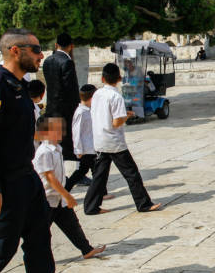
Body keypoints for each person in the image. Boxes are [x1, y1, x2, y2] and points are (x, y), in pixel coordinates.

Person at [0, 28, 55, 273]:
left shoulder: (17, 86)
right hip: (6, 183)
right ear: (16, 51)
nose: (41, 56)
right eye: (36, 50)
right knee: (1, 250)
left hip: (27, 178)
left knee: (39, 241)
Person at [83, 63, 162, 215]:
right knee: (132, 174)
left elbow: (101, 113)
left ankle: (91, 206)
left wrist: (122, 114)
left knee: (99, 176)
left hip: (99, 140)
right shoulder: (116, 96)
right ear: (119, 78)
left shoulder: (97, 94)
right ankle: (143, 204)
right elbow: (116, 122)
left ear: (102, 78)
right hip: (114, 142)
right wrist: (126, 115)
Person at [32, 117, 106, 260]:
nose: (60, 132)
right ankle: (33, 257)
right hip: (46, 199)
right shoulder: (44, 152)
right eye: (56, 130)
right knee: (39, 232)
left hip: (58, 199)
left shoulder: (56, 149)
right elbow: (50, 177)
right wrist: (67, 195)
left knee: (72, 225)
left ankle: (86, 249)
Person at [42, 33, 81, 163]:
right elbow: (71, 89)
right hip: (65, 111)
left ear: (56, 45)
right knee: (69, 146)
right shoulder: (67, 62)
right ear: (71, 46)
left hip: (51, 108)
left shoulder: (47, 61)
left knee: (50, 146)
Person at [65, 85, 110, 195]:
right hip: (86, 149)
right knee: (96, 171)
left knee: (84, 171)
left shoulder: (89, 110)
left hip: (92, 147)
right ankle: (101, 193)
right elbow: (76, 132)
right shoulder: (81, 112)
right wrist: (78, 150)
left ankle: (66, 190)